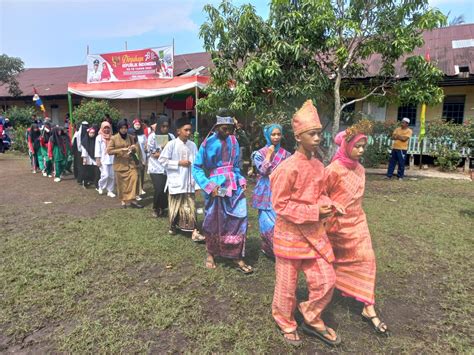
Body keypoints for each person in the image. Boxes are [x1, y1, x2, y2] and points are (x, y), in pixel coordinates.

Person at [270, 100, 343, 347]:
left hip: (314, 235)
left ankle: (311, 316)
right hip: (289, 236)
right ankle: (285, 322)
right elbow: (279, 205)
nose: (318, 138)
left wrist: (329, 205)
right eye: (312, 134)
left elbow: (319, 194)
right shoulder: (286, 168)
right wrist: (314, 211)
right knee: (286, 286)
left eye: (319, 133)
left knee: (326, 279)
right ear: (298, 137)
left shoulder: (318, 165)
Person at [326, 119, 390, 337]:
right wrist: (333, 207)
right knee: (332, 263)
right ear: (346, 146)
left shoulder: (361, 169)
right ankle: (329, 293)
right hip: (336, 227)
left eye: (364, 147)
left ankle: (367, 307)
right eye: (357, 146)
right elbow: (321, 197)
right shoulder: (332, 170)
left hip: (358, 223)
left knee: (367, 259)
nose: (361, 150)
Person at [193, 115, 252, 274]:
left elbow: (237, 166)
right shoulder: (208, 143)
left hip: (234, 187)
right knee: (214, 219)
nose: (227, 132)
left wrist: (241, 179)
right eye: (224, 128)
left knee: (239, 218)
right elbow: (197, 168)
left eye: (230, 129)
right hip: (216, 188)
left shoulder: (234, 141)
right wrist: (208, 186)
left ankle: (235, 254)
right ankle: (211, 253)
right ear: (217, 126)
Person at [159, 117, 205, 242]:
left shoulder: (193, 145)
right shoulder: (171, 144)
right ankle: (173, 226)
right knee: (175, 206)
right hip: (176, 180)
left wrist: (196, 185)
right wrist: (179, 163)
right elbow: (162, 160)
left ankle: (194, 231)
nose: (189, 133)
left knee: (190, 206)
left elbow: (196, 164)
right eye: (186, 130)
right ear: (178, 131)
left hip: (189, 181)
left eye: (190, 130)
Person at [251, 124, 291, 258]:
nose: (276, 137)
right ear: (267, 135)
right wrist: (268, 155)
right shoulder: (259, 154)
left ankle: (279, 249)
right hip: (265, 190)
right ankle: (268, 247)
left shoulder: (286, 154)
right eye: (273, 134)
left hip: (280, 190)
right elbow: (263, 171)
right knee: (266, 221)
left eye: (278, 134)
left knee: (279, 219)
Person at [107, 119, 143, 209]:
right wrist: (120, 150)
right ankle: (123, 201)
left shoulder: (130, 137)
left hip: (131, 164)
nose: (124, 130)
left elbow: (135, 148)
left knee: (135, 179)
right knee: (121, 184)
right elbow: (109, 151)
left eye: (125, 128)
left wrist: (134, 148)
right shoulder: (114, 138)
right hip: (120, 165)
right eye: (122, 128)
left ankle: (133, 200)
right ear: (119, 129)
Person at [147, 115, 175, 217]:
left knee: (165, 189)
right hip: (156, 167)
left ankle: (162, 208)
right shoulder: (153, 136)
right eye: (163, 126)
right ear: (159, 126)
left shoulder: (171, 136)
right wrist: (162, 151)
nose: (165, 128)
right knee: (159, 188)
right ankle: (155, 207)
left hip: (167, 168)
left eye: (167, 126)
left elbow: (174, 151)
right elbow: (151, 152)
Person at [95, 121, 116, 197]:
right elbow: (97, 149)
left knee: (111, 175)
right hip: (103, 159)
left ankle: (110, 190)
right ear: (102, 128)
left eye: (108, 128)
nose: (106, 129)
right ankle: (100, 186)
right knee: (105, 175)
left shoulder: (113, 137)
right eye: (105, 128)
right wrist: (98, 159)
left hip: (112, 159)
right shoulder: (99, 137)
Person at [131, 118, 147, 199]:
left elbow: (145, 145)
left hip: (142, 156)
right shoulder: (131, 134)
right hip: (134, 157)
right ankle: (135, 191)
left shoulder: (143, 135)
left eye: (138, 125)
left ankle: (141, 188)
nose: (137, 126)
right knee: (135, 174)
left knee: (142, 173)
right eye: (136, 125)